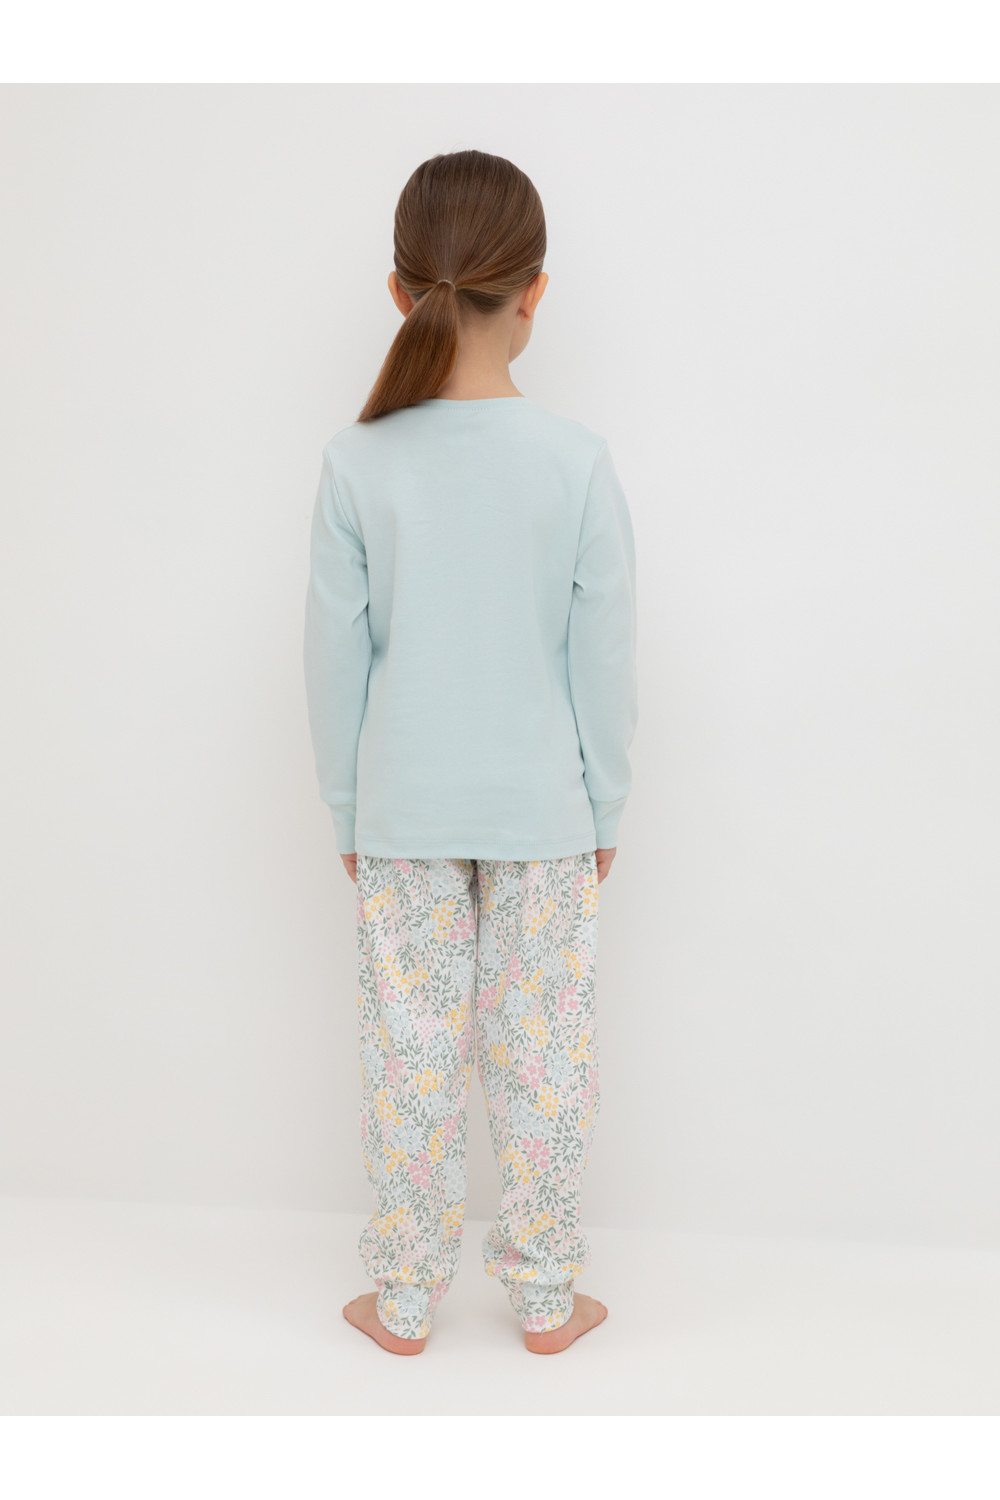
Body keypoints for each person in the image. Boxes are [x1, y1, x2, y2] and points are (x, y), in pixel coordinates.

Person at [303, 149, 638, 1357]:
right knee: (542, 1060)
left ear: (400, 291)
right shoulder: (575, 461)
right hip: (544, 815)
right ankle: (544, 1297)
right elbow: (603, 659)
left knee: (410, 1056)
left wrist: (349, 809)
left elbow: (332, 661)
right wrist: (604, 806)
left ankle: (403, 1297)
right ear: (535, 291)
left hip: (403, 812)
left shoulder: (357, 462)